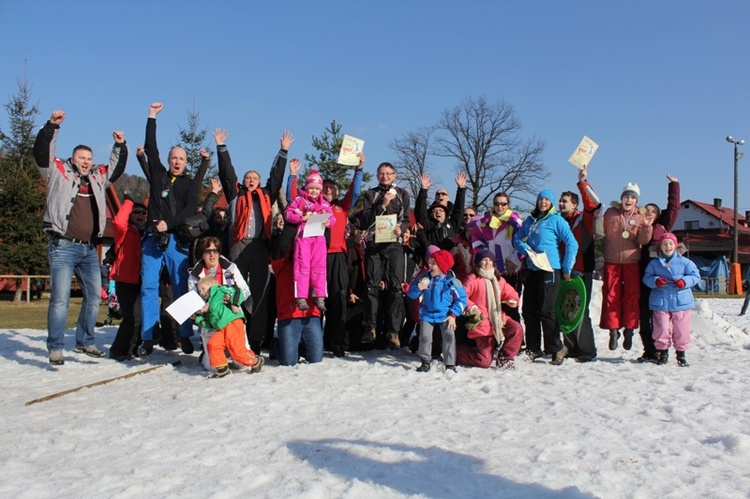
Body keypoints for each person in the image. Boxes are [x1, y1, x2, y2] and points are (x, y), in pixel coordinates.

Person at [33, 109, 128, 365]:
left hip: (88, 250)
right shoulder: (59, 173)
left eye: (89, 158)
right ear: (73, 159)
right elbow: (42, 154)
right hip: (62, 246)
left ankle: (85, 342)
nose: (85, 162)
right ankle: (55, 347)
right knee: (60, 300)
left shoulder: (98, 178)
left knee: (94, 297)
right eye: (81, 157)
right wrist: (52, 127)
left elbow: (116, 169)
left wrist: (120, 145)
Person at [214, 127, 291, 353]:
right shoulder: (235, 194)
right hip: (238, 244)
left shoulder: (266, 195)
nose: (250, 180)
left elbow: (276, 177)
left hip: (259, 245)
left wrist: (283, 151)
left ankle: (256, 339)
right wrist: (221, 148)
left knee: (259, 292)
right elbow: (227, 173)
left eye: (254, 178)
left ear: (259, 182)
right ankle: (232, 334)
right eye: (248, 178)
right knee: (233, 290)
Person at [139, 103, 201, 356]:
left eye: (181, 159)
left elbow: (190, 210)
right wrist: (152, 117)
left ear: (186, 163)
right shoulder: (158, 176)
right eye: (173, 157)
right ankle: (147, 336)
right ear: (168, 160)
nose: (177, 162)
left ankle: (185, 334)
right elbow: (150, 147)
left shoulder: (189, 184)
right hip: (153, 240)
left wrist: (171, 224)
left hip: (177, 242)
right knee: (149, 287)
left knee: (180, 289)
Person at [288, 154, 365, 356]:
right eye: (326, 187)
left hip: (337, 257)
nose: (329, 190)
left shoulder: (340, 208)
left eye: (332, 188)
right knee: (314, 299)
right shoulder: (309, 204)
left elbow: (354, 191)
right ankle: (312, 342)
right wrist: (293, 176)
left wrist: (359, 170)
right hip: (312, 254)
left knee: (338, 299)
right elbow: (293, 197)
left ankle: (337, 343)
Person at [513, 189, 578, 365]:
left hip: (550, 269)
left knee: (545, 310)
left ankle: (556, 347)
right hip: (533, 268)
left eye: (546, 200)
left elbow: (572, 242)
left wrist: (566, 267)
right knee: (528, 310)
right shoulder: (530, 220)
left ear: (551, 203)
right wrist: (526, 250)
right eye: (540, 199)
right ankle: (534, 348)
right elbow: (517, 239)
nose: (543, 202)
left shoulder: (556, 220)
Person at [358, 162, 411, 348]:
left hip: (394, 245)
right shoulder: (371, 194)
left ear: (395, 175)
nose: (385, 177)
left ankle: (393, 330)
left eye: (389, 173)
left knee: (396, 287)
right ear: (377, 175)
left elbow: (406, 219)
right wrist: (384, 203)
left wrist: (401, 228)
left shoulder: (403, 194)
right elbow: (366, 219)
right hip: (374, 245)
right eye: (381, 173)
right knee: (372, 285)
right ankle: (370, 327)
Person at [600, 182, 654, 352]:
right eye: (626, 196)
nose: (628, 200)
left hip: (632, 261)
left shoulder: (640, 216)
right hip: (612, 260)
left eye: (632, 197)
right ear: (621, 198)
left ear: (636, 201)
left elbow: (643, 241)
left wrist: (646, 226)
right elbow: (599, 232)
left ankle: (629, 331)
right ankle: (613, 331)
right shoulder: (610, 213)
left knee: (632, 296)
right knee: (611, 295)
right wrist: (596, 218)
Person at [557, 166, 602, 362]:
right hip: (562, 272)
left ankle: (587, 350)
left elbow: (594, 204)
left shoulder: (584, 218)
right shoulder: (557, 221)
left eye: (564, 201)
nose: (561, 204)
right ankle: (571, 347)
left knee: (581, 311)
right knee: (565, 309)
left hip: (581, 271)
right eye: (560, 201)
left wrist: (583, 182)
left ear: (575, 204)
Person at [188, 236, 252, 372]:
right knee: (212, 367)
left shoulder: (230, 269)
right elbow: (192, 299)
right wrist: (200, 309)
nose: (212, 254)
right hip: (211, 320)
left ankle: (234, 352)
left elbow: (245, 290)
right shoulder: (195, 275)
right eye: (208, 251)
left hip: (231, 317)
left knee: (243, 365)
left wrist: (232, 298)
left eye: (215, 251)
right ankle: (208, 355)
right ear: (202, 254)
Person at [637, 174, 680, 362]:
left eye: (653, 211)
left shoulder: (662, 226)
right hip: (643, 275)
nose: (650, 213)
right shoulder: (638, 227)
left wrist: (674, 185)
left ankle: (661, 349)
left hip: (661, 279)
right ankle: (649, 350)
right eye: (647, 210)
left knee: (659, 315)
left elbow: (673, 208)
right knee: (644, 314)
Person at [457, 250, 524, 370]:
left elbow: (510, 293)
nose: (487, 263)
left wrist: (512, 300)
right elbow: (462, 296)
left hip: (498, 318)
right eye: (484, 260)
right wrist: (473, 307)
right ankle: (454, 352)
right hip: (482, 322)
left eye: (490, 260)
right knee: (484, 361)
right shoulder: (472, 279)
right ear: (478, 263)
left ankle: (505, 357)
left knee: (516, 329)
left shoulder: (498, 280)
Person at [643, 233, 700, 366]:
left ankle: (681, 354)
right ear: (660, 247)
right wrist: (655, 281)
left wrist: (684, 282)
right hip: (660, 301)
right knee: (661, 327)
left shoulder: (685, 262)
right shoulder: (654, 263)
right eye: (664, 244)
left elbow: (695, 275)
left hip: (681, 301)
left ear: (675, 245)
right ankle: (662, 353)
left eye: (670, 244)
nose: (667, 247)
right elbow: (646, 278)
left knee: (682, 329)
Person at [407, 250, 467, 372]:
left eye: (433, 263)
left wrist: (453, 314)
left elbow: (461, 299)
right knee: (425, 337)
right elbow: (411, 294)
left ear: (442, 265)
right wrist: (418, 288)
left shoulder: (452, 282)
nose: (430, 266)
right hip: (427, 313)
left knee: (449, 336)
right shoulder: (425, 277)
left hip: (446, 314)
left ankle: (450, 363)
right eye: (429, 262)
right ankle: (425, 362)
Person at [284, 168, 335, 311]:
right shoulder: (299, 200)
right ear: (306, 187)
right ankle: (301, 296)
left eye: (317, 188)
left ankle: (319, 295)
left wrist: (327, 222)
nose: (314, 191)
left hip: (318, 238)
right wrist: (302, 218)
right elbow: (287, 214)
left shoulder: (324, 203)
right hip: (303, 237)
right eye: (311, 188)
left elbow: (332, 219)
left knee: (319, 266)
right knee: (302, 265)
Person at [193, 276, 263, 378]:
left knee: (237, 350)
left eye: (203, 288)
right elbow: (209, 324)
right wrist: (197, 317)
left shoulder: (219, 290)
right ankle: (222, 368)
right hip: (221, 327)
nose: (201, 292)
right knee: (213, 344)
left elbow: (237, 291)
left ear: (212, 286)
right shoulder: (208, 305)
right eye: (199, 291)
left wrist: (234, 304)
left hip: (232, 322)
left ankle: (256, 361)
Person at [470, 192, 524, 323]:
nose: (500, 206)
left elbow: (523, 243)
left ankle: (515, 338)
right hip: (491, 271)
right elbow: (476, 242)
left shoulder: (515, 222)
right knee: (491, 305)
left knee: (510, 305)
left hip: (510, 270)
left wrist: (514, 260)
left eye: (503, 204)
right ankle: (495, 338)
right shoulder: (483, 223)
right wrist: (486, 258)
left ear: (508, 205)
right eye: (496, 203)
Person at [109, 194, 148, 361]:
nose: (139, 215)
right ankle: (118, 350)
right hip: (124, 280)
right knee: (132, 317)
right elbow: (117, 221)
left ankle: (134, 347)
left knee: (141, 316)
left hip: (141, 281)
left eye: (143, 212)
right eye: (136, 212)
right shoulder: (124, 231)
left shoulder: (147, 234)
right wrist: (129, 203)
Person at [414, 173, 467, 256]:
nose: (438, 212)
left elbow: (459, 210)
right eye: (435, 211)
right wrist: (423, 189)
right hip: (433, 260)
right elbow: (420, 211)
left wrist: (461, 189)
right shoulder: (428, 225)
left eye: (441, 210)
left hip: (450, 260)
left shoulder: (452, 224)